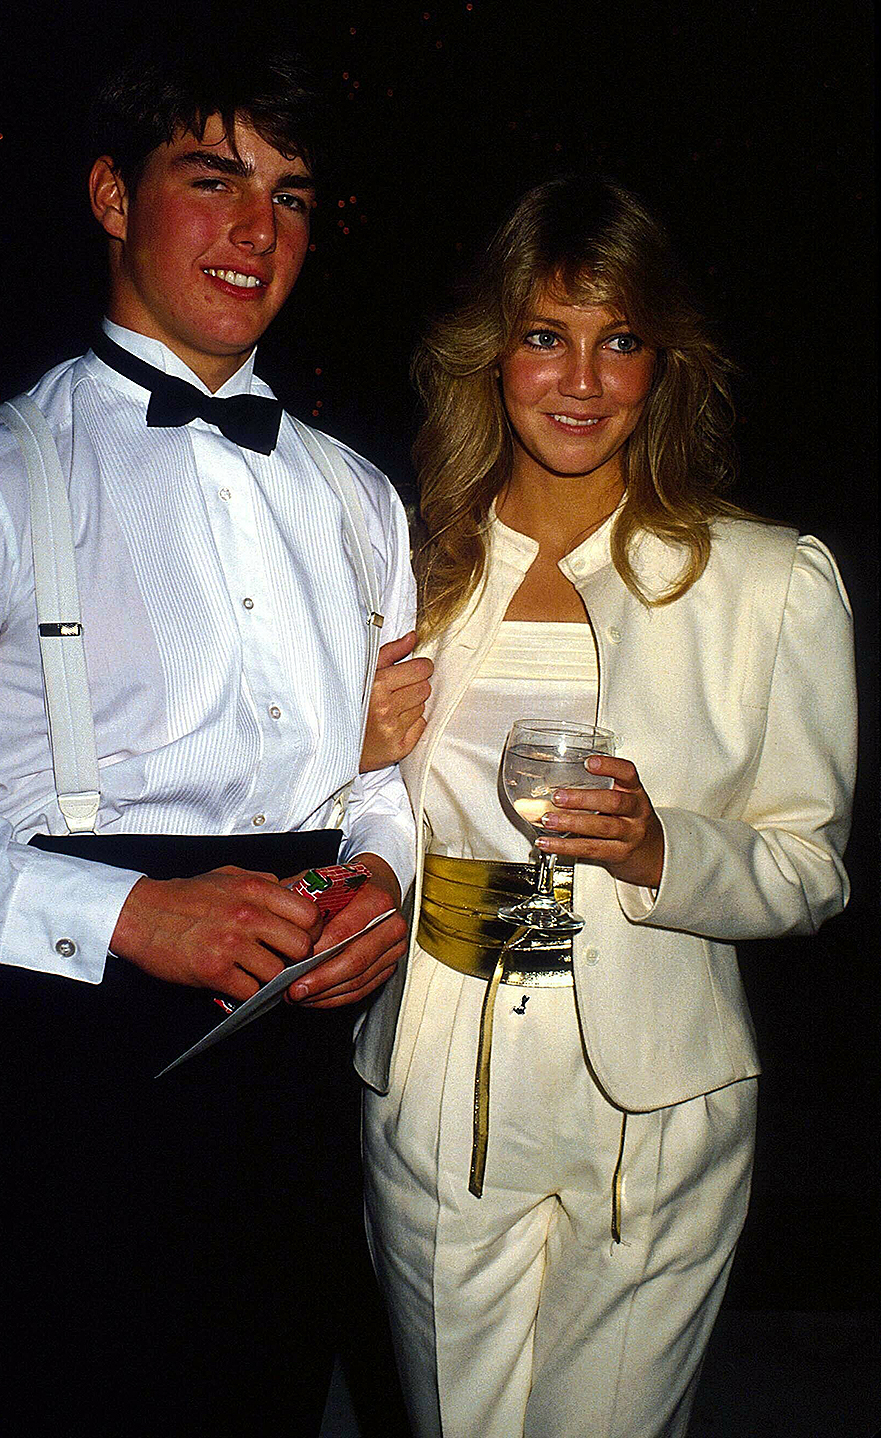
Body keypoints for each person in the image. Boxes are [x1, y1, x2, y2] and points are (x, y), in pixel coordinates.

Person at [0, 41, 415, 1438]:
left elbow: (387, 773)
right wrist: (127, 913)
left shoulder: (360, 498)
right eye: (215, 178)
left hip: (288, 1072)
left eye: (292, 195)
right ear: (114, 197)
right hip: (45, 1067)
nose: (259, 230)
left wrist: (384, 880)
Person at [355, 177, 856, 1437]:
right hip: (433, 1073)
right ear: (491, 356)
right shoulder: (407, 569)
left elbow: (809, 868)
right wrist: (346, 758)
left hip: (656, 1097)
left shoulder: (766, 582)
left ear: (662, 366)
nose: (580, 379)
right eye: (545, 334)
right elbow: (341, 819)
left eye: (618, 339)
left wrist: (661, 844)